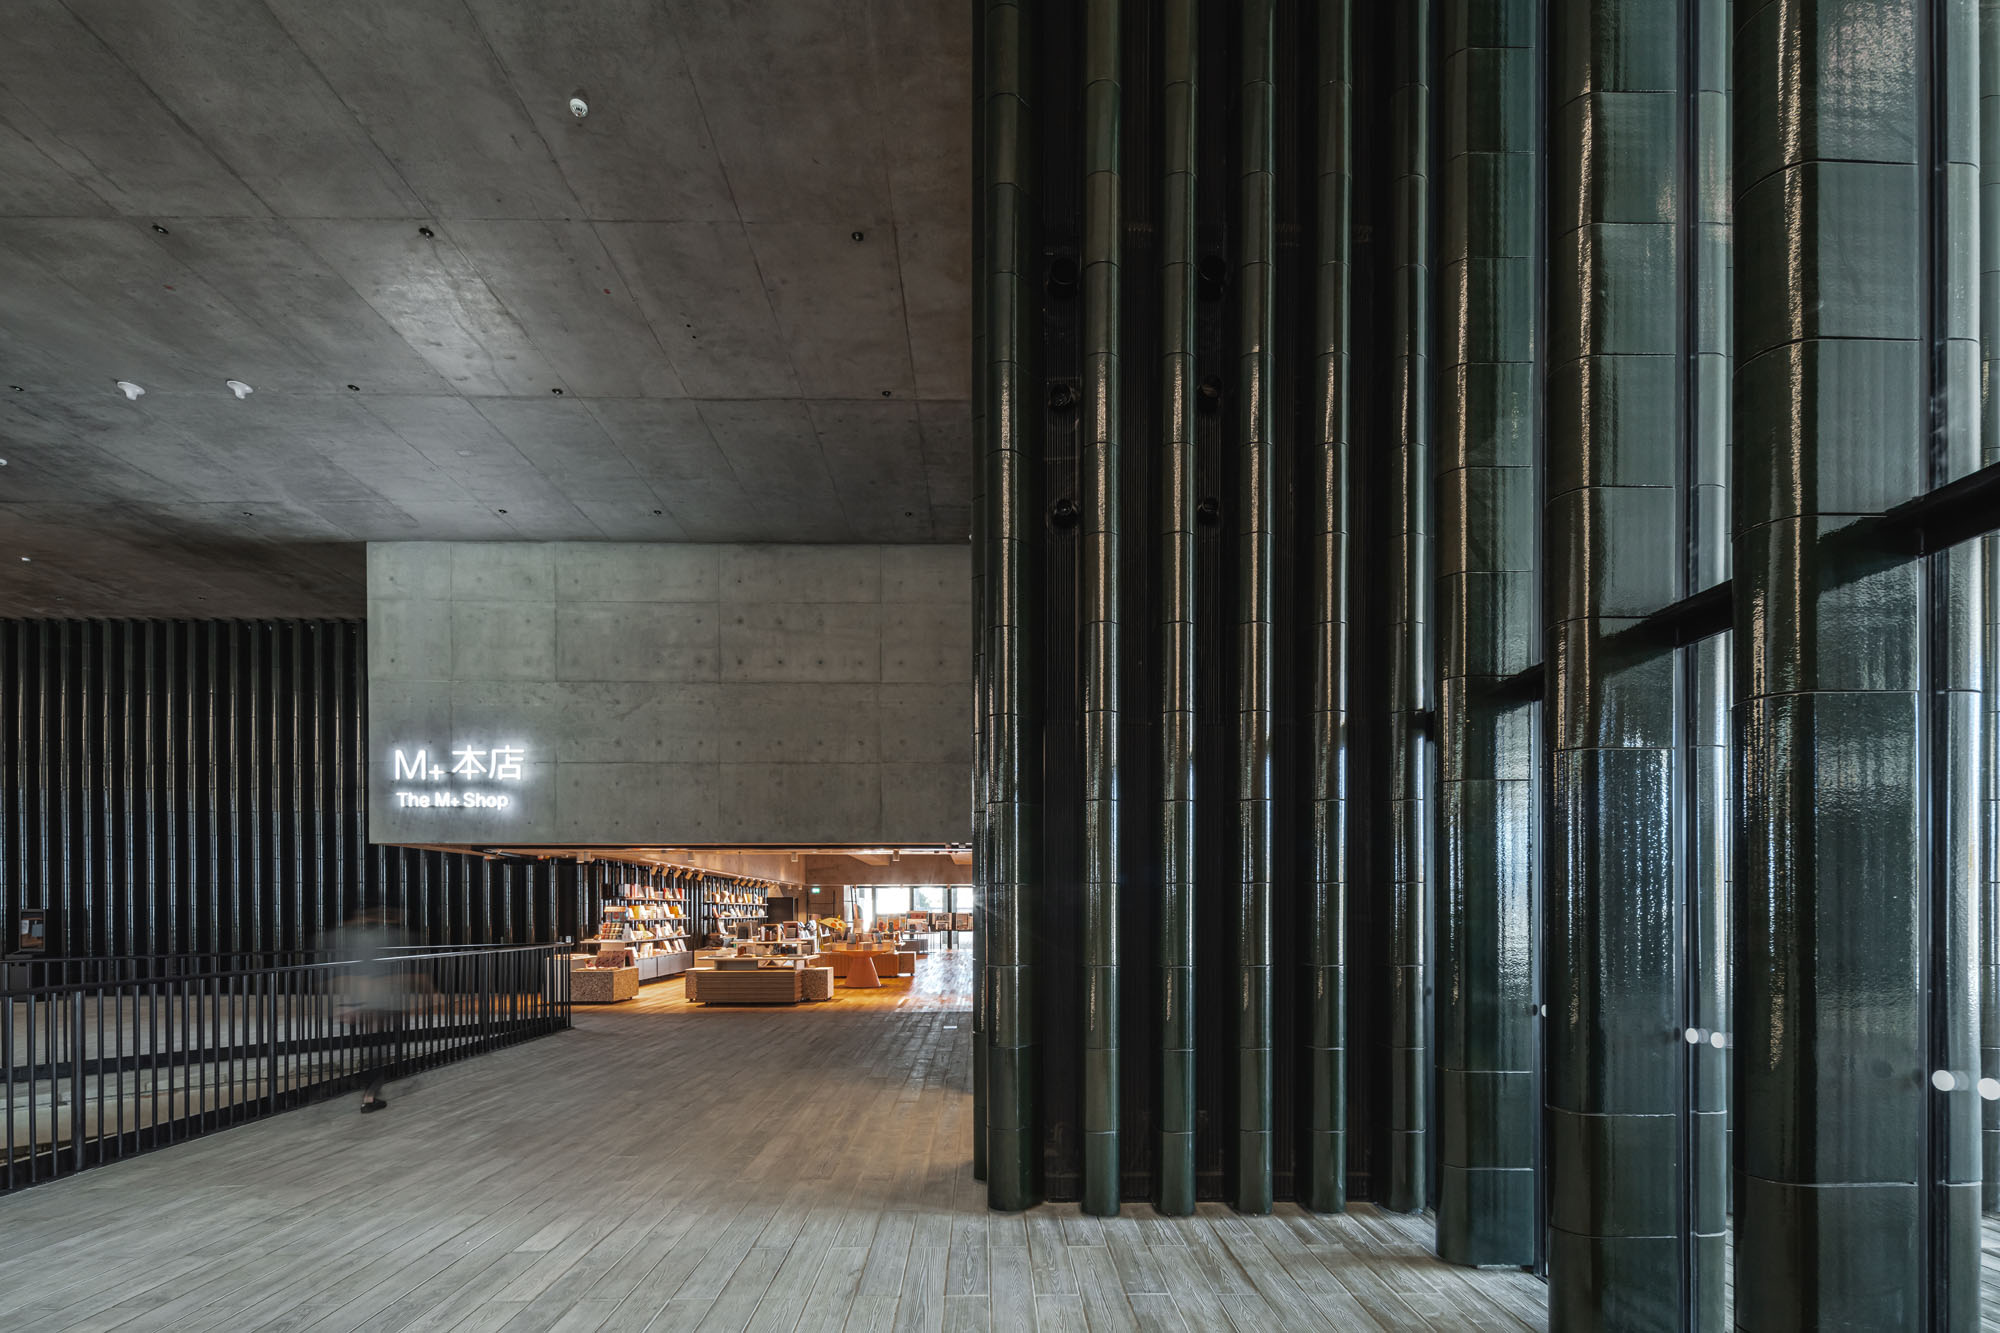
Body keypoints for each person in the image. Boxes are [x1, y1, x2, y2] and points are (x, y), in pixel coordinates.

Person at [330, 907, 413, 1113]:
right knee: (379, 1046)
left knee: (373, 1045)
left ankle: (369, 1092)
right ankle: (369, 1095)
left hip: (364, 1000)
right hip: (377, 1001)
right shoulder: (378, 938)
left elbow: (347, 972)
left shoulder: (351, 938)